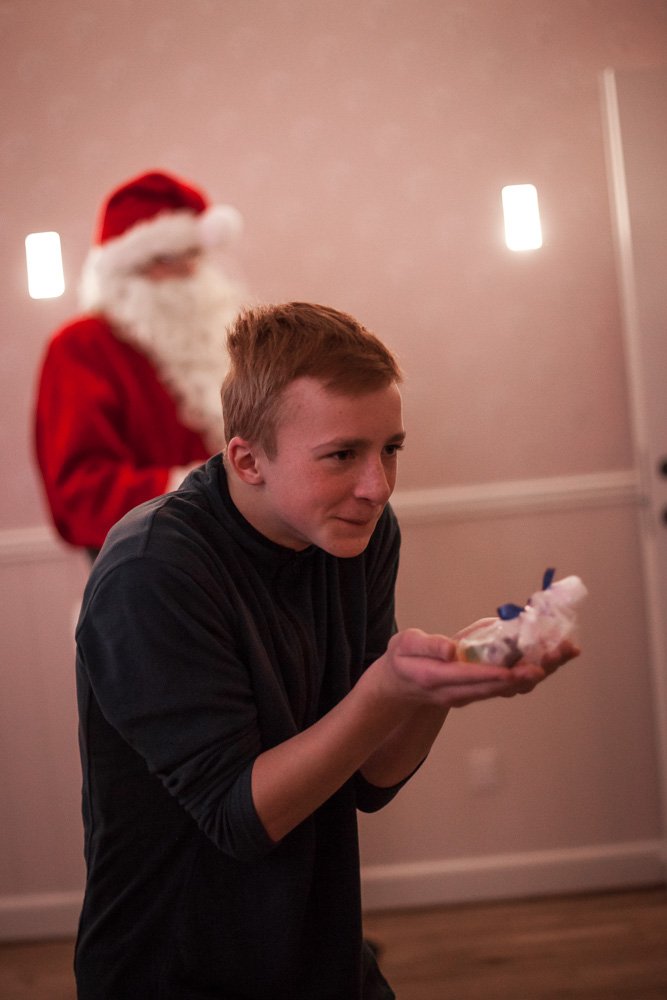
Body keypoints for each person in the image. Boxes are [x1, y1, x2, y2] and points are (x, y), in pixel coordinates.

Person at [74, 301, 579, 1000]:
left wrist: (439, 686)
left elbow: (369, 779)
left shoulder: (358, 533)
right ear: (247, 459)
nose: (377, 487)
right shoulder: (151, 572)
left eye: (390, 449)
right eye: (343, 455)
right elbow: (240, 818)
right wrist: (388, 690)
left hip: (320, 950)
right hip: (174, 970)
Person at [33, 169, 247, 557]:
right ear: (122, 270)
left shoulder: (219, 335)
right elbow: (81, 488)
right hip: (147, 554)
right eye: (167, 258)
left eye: (193, 256)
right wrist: (200, 489)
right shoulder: (81, 346)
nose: (188, 271)